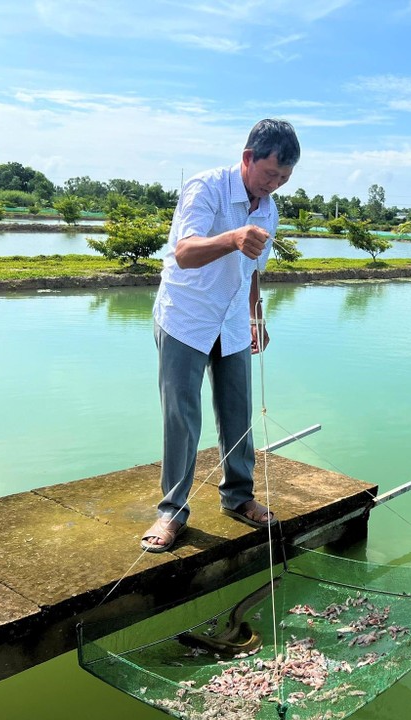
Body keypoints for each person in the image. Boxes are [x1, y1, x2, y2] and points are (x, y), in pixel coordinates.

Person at [141, 119, 300, 553]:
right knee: (182, 416)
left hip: (231, 321)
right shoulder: (205, 187)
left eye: (284, 179)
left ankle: (238, 496)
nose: (274, 185)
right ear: (248, 158)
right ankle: (171, 512)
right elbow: (185, 253)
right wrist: (232, 237)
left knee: (237, 412)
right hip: (186, 318)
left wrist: (256, 318)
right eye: (270, 174)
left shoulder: (268, 208)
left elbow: (251, 270)